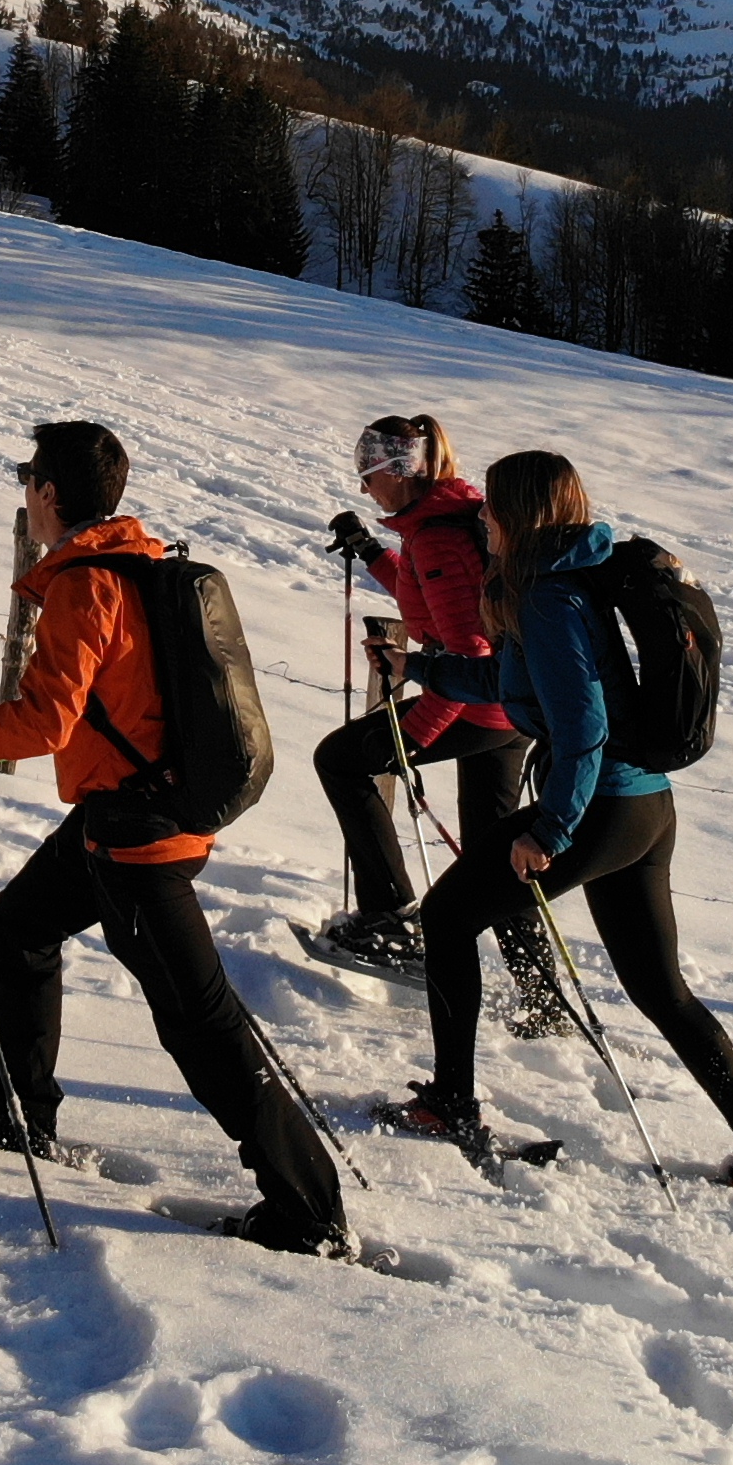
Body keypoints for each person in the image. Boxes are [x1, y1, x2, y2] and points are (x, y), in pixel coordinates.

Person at [0, 420, 352, 1256]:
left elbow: (42, 721)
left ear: (51, 494)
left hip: (137, 842)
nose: (24, 492)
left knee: (201, 1026)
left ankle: (308, 1213)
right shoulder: (133, 565)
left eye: (29, 478)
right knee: (22, 928)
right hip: (126, 816)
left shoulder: (85, 585)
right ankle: (17, 1111)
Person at [373, 448, 733, 1194]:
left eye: (492, 506)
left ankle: (452, 1103)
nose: (481, 516)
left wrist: (548, 830)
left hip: (598, 804)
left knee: (449, 916)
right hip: (641, 808)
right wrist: (418, 667)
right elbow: (507, 680)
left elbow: (582, 729)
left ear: (518, 513)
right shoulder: (552, 584)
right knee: (659, 988)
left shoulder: (550, 599)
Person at [314, 416, 572, 1035]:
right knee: (495, 856)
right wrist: (374, 553)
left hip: (476, 707)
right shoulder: (452, 519)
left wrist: (416, 736)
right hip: (509, 711)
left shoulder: (436, 538)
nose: (366, 492)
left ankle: (390, 919)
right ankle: (541, 999)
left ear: (396, 474)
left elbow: (468, 652)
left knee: (340, 760)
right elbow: (432, 594)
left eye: (369, 479)